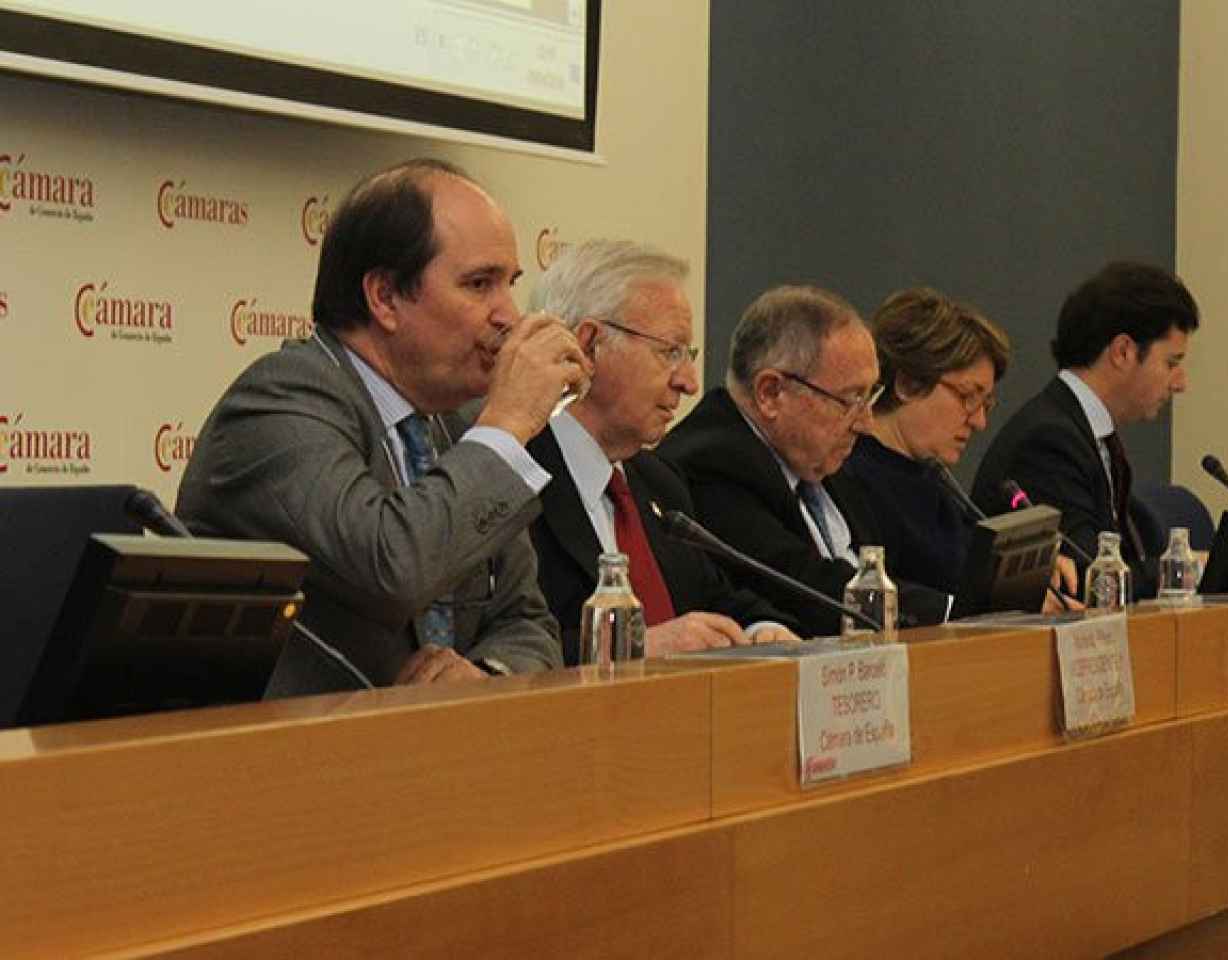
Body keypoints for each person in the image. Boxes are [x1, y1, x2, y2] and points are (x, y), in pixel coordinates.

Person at [177, 158, 586, 689]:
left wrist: (485, 674)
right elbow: (392, 567)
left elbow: (527, 624)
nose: (509, 314)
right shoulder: (279, 403)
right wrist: (506, 426)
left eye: (509, 283)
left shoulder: (461, 429)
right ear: (386, 297)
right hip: (281, 756)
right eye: (479, 284)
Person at [524, 239, 801, 661]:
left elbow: (716, 597)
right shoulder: (519, 477)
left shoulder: (658, 480)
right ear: (588, 346)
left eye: (687, 355)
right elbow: (504, 653)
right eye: (669, 352)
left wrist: (763, 630)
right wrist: (633, 649)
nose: (689, 382)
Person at [657, 285, 952, 636]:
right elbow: (803, 587)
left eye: (869, 396)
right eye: (850, 399)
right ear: (770, 393)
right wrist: (954, 613)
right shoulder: (710, 464)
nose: (866, 422)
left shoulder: (820, 456)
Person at [839, 287, 1077, 611]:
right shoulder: (848, 478)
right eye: (968, 397)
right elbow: (882, 596)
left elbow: (968, 578)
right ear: (908, 384)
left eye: (986, 403)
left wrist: (1027, 575)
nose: (979, 422)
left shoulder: (932, 477)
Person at [970, 261, 1199, 594]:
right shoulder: (1048, 442)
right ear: (1123, 351)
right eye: (1171, 363)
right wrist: (1186, 570)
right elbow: (1090, 577)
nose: (1180, 383)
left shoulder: (1085, 430)